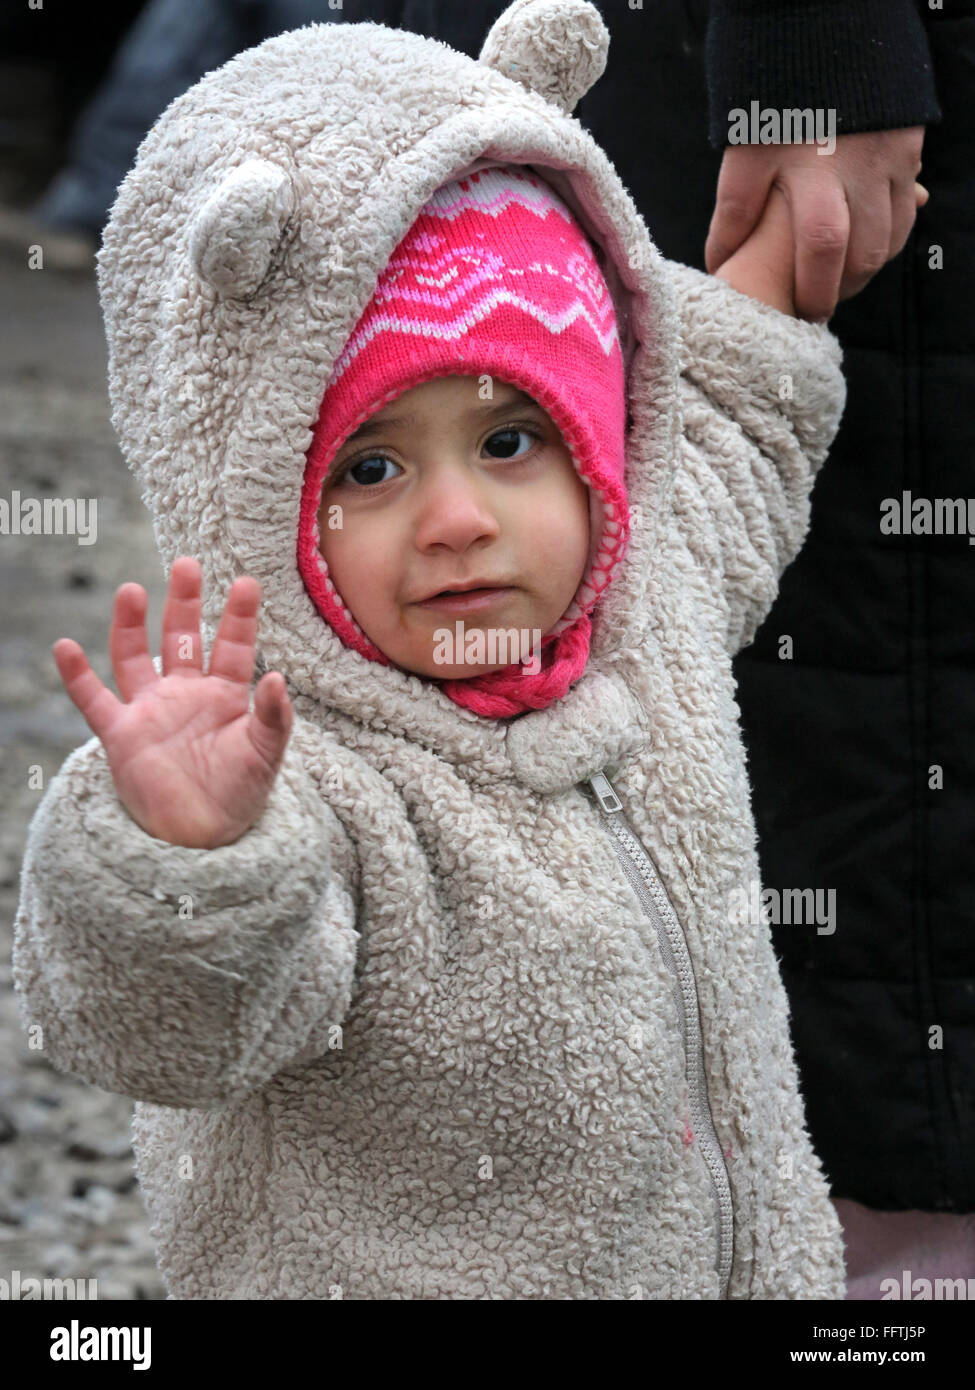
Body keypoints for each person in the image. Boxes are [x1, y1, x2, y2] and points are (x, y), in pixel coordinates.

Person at [11, 3, 918, 1299]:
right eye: (372, 466)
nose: (456, 519)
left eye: (509, 440)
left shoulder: (642, 610)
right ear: (261, 483)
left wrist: (791, 238)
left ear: (597, 439)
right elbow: (163, 1026)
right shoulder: (297, 777)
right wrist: (184, 856)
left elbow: (726, 421)